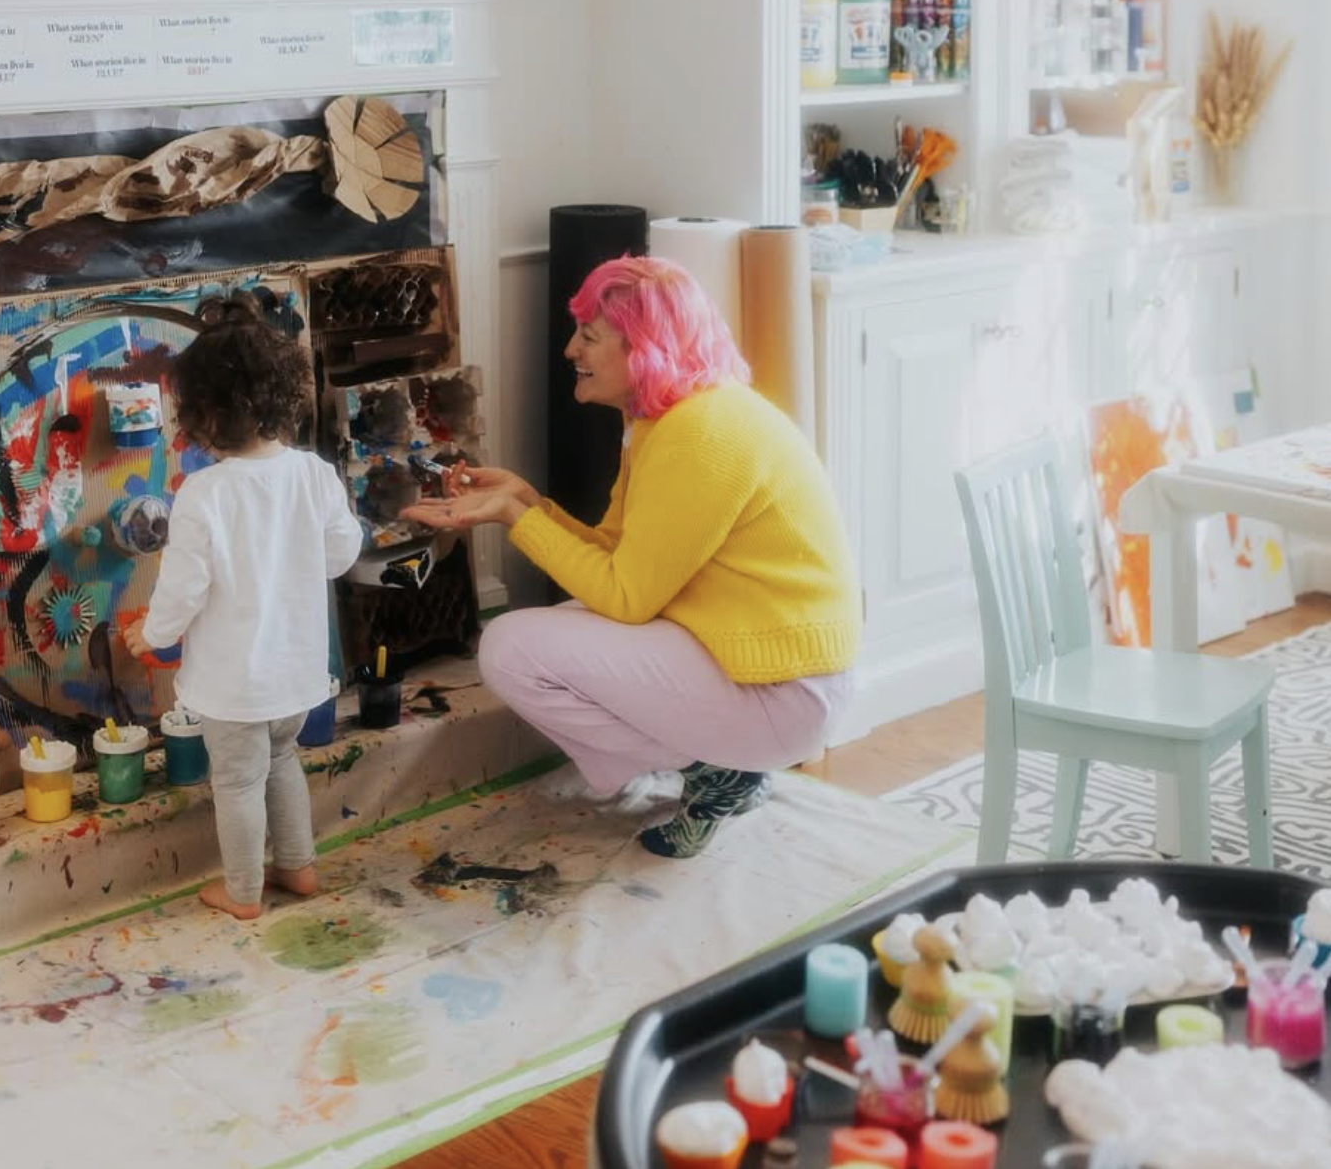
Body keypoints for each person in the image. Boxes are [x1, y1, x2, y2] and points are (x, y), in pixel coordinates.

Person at [403, 255, 861, 858]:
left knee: (510, 646)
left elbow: (625, 597)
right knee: (558, 625)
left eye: (589, 337)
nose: (571, 350)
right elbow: (622, 558)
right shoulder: (672, 419)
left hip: (786, 693)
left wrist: (518, 519)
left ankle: (715, 769)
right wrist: (527, 500)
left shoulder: (700, 433)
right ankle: (722, 765)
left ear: (642, 347)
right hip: (761, 666)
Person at [123, 303, 362, 918]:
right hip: (297, 676)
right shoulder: (315, 474)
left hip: (235, 686)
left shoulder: (204, 494)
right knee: (283, 761)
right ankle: (299, 869)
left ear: (206, 415)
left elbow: (183, 590)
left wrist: (150, 636)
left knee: (236, 782)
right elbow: (341, 555)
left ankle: (243, 891)